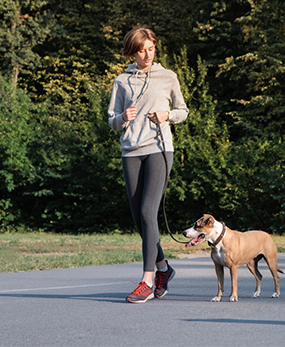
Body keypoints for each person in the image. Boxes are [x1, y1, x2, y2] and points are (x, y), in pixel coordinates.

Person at [108, 28, 189, 303]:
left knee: (147, 211)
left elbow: (183, 111)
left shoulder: (168, 77)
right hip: (130, 151)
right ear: (132, 51)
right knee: (139, 218)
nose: (147, 54)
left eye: (151, 48)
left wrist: (167, 115)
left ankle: (147, 281)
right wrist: (122, 117)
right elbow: (111, 120)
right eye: (141, 49)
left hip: (159, 149)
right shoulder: (121, 81)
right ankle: (164, 268)